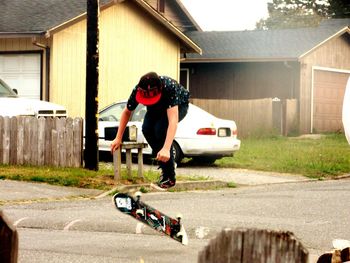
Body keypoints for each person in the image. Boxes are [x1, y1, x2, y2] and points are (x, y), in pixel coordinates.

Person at [110, 72, 189, 189]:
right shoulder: (138, 89)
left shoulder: (169, 87)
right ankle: (165, 161)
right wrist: (118, 137)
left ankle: (170, 177)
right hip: (156, 108)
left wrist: (166, 148)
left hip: (179, 106)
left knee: (160, 130)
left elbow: (173, 120)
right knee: (146, 129)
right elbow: (127, 112)